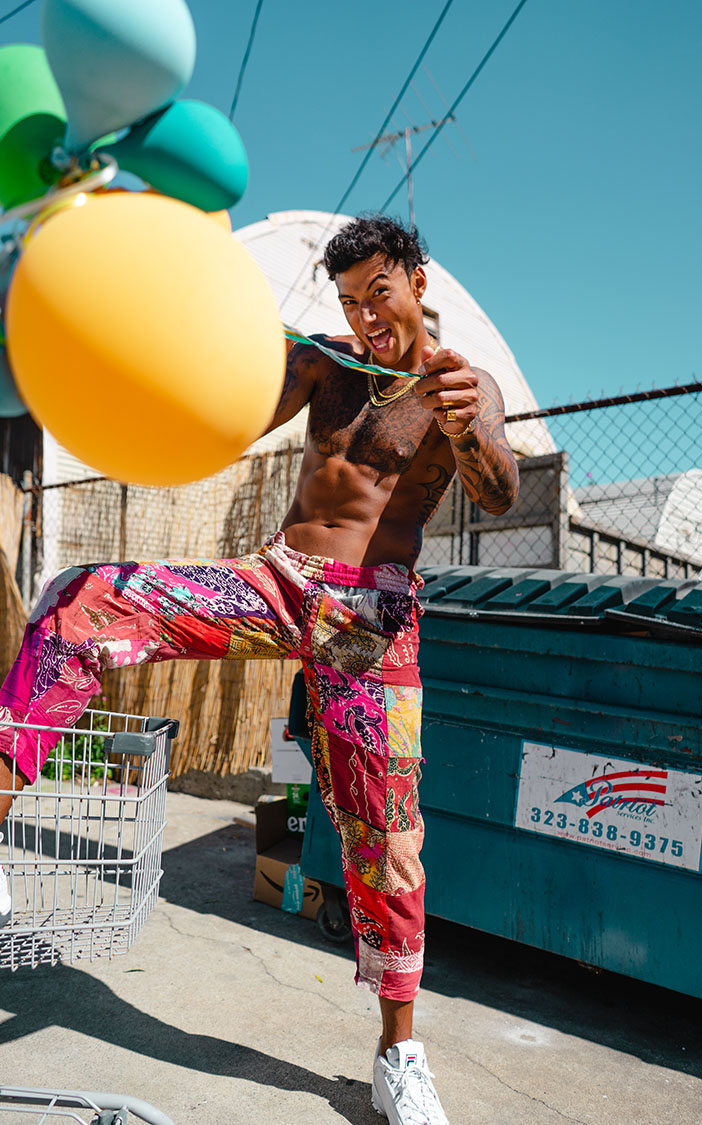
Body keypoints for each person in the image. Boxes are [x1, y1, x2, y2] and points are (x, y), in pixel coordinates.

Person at [0, 214, 518, 1124]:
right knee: (80, 601)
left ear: (418, 281)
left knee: (386, 835)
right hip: (276, 580)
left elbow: (501, 490)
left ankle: (400, 1053)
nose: (367, 317)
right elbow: (220, 405)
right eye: (352, 301)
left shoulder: (461, 387)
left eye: (380, 295)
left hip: (372, 617)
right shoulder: (325, 366)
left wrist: (468, 428)